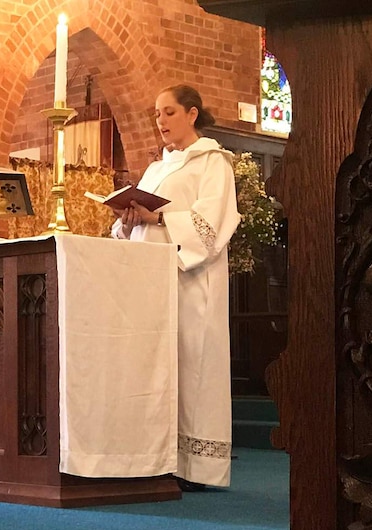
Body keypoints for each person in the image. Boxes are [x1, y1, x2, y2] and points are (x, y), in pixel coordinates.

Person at [110, 85, 240, 491]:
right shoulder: (157, 167)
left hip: (191, 279)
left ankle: (197, 468)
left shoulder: (213, 162)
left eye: (168, 113)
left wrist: (158, 219)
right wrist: (127, 221)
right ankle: (158, 457)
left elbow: (212, 223)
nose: (160, 122)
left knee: (192, 363)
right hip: (152, 278)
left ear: (192, 114)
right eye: (156, 114)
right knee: (156, 364)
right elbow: (131, 224)